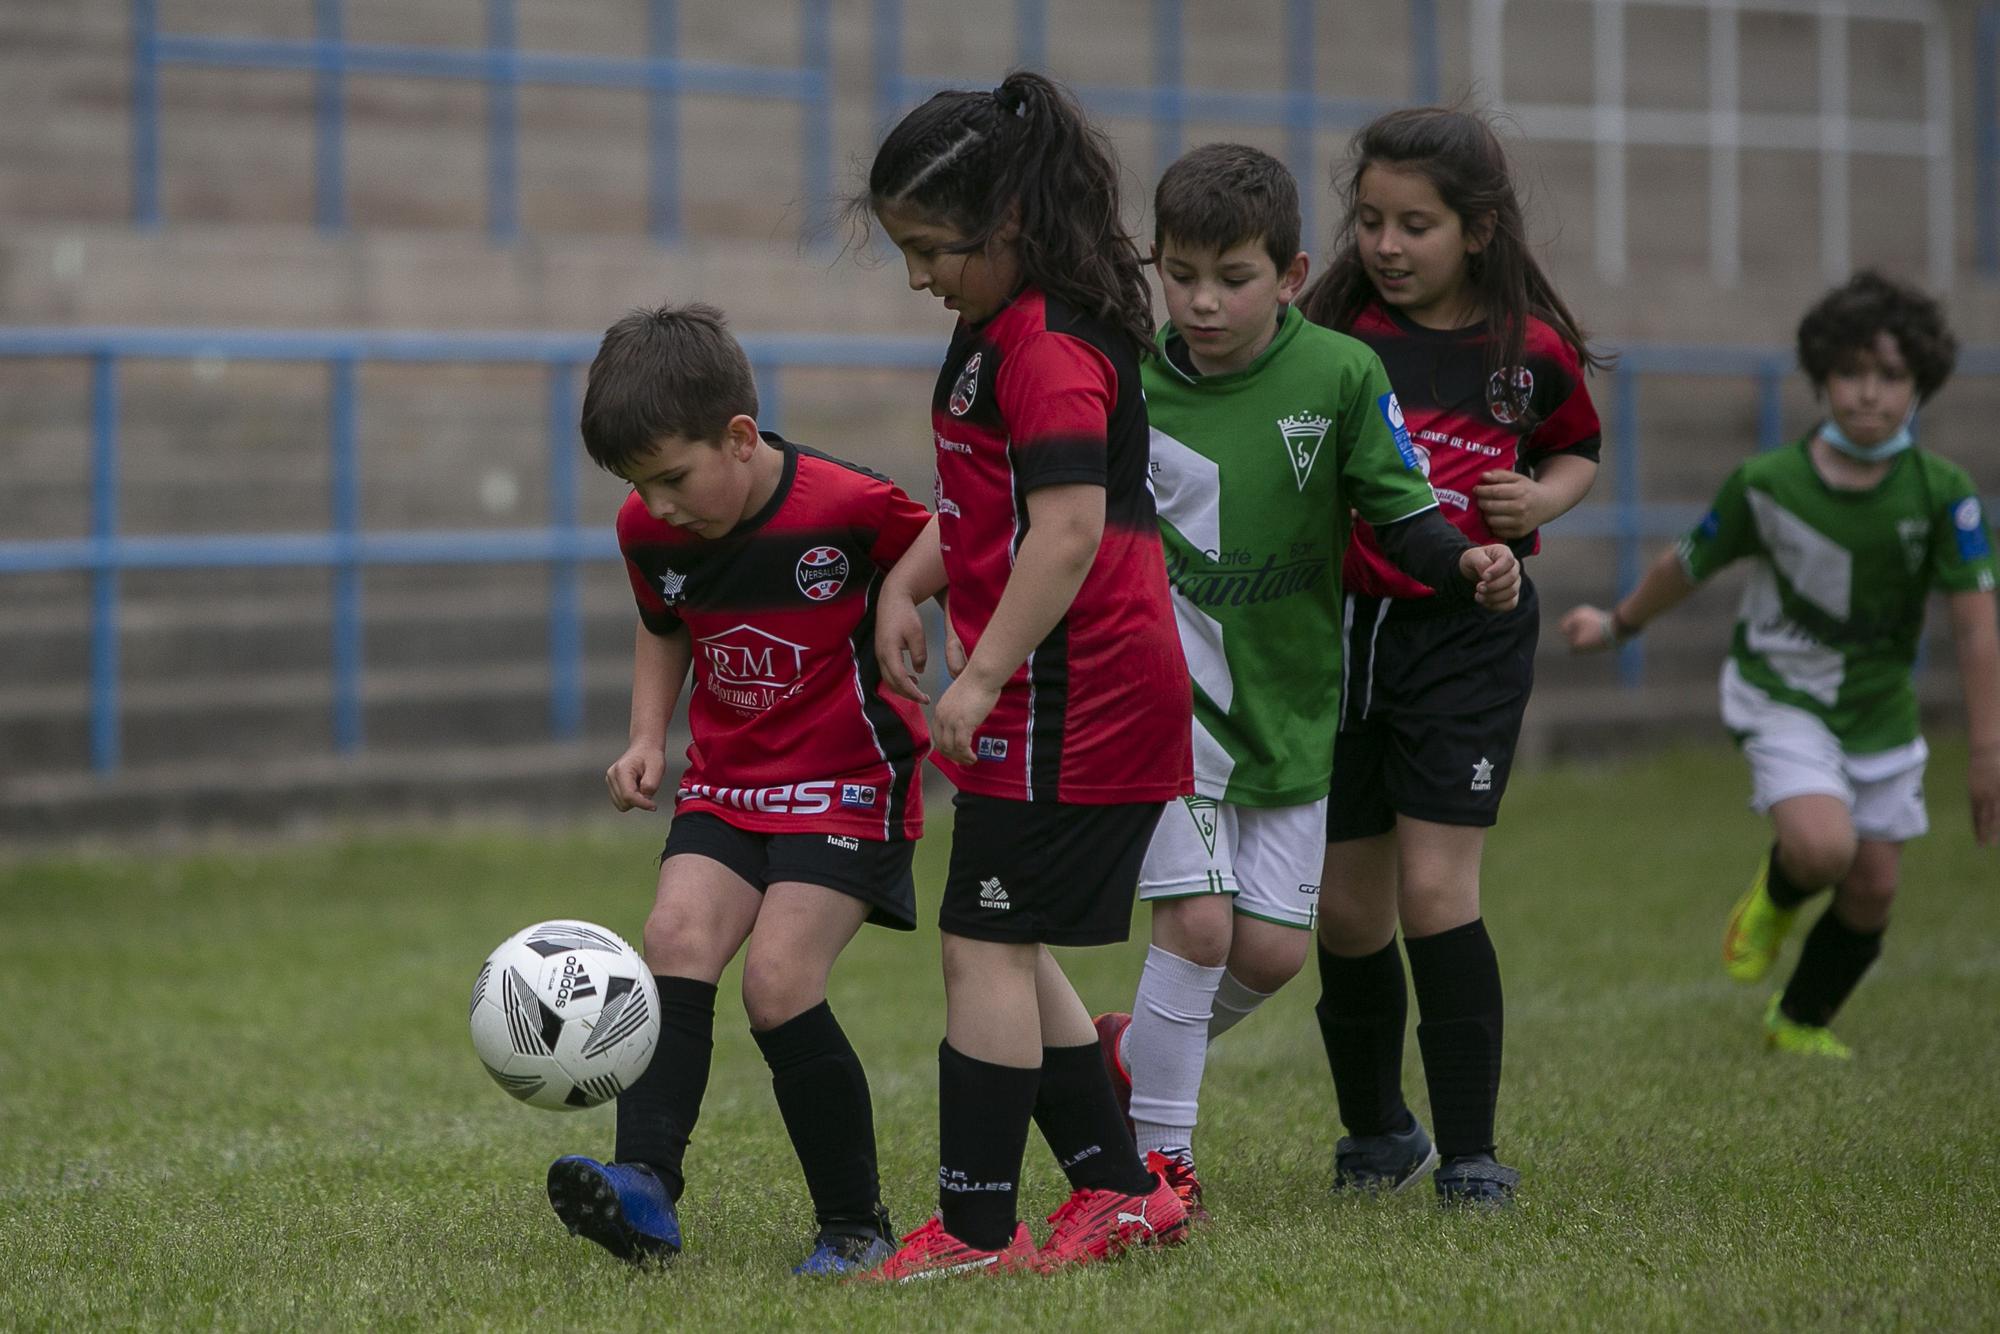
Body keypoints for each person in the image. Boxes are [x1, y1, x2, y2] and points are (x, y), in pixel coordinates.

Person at [1089, 142, 1520, 1218]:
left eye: (1230, 279)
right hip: (1164, 706)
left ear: (1286, 274)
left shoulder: (1336, 373)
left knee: (1277, 950)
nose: (1199, 301)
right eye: (1179, 274)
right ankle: (1153, 1166)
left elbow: (1402, 511)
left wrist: (1462, 559)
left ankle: (1121, 1051)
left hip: (1285, 709)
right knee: (1193, 928)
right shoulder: (1122, 382)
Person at [855, 70, 1193, 1279]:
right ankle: (1115, 1190)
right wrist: (908, 580)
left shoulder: (1046, 343)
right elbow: (987, 504)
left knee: (982, 944)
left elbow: (1063, 531)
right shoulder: (995, 327)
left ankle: (976, 1229)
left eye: (930, 249)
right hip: (1057, 694)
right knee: (1007, 934)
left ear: (1004, 224)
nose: (917, 276)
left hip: (1078, 696)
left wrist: (981, 677)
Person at [543, 303, 935, 1276]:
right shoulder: (651, 525)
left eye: (673, 477)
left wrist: (894, 594)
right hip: (729, 781)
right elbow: (663, 620)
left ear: (740, 437)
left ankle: (852, 1221)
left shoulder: (845, 504)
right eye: (640, 485)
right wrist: (646, 736)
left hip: (850, 780)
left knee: (777, 980)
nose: (659, 504)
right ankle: (643, 1187)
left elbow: (945, 538)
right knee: (672, 939)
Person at [1561, 270, 2000, 1058]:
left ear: (1921, 385)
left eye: (1890, 377)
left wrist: (1989, 752)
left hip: (1879, 710)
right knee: (1825, 848)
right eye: (1850, 374)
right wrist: (1617, 624)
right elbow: (1684, 565)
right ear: (1822, 379)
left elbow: (1975, 629)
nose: (1868, 394)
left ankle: (1798, 1021)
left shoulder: (1945, 495)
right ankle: (1779, 891)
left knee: (1874, 888)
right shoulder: (1767, 485)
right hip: (1781, 693)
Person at [1296, 106, 1608, 1206]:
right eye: (1370, 219)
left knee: (1435, 889)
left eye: (1413, 224)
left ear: (1476, 229)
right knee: (1343, 908)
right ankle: (1377, 1130)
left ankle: (1469, 1150)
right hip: (1338, 635)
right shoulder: (1328, 337)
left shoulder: (1528, 352)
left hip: (1468, 636)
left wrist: (1542, 496)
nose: (1384, 243)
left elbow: (1575, 449)